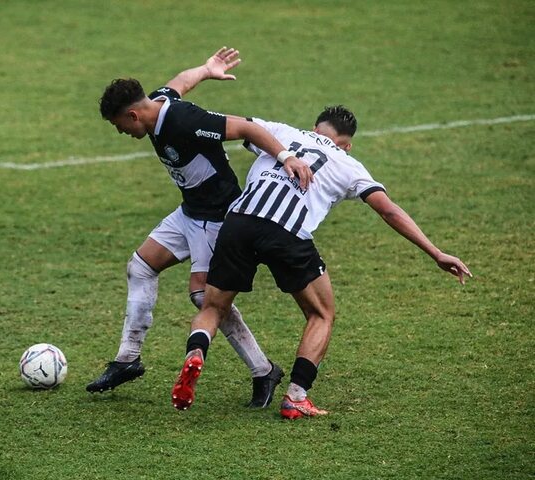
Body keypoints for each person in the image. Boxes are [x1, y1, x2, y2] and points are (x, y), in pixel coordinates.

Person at [171, 108, 473, 419]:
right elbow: (389, 211)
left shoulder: (281, 132)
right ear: (347, 145)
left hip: (238, 223)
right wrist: (436, 252)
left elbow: (227, 126)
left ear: (315, 128)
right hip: (286, 234)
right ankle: (296, 397)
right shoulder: (349, 165)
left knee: (213, 307)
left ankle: (196, 352)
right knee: (321, 313)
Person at [87, 48, 314, 409]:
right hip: (190, 211)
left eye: (120, 126)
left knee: (205, 299)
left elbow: (247, 127)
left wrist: (286, 156)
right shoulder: (156, 105)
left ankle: (263, 370)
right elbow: (179, 83)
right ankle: (127, 359)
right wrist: (207, 70)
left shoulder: (184, 121)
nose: (122, 133)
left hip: (218, 217)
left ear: (133, 114)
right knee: (141, 266)